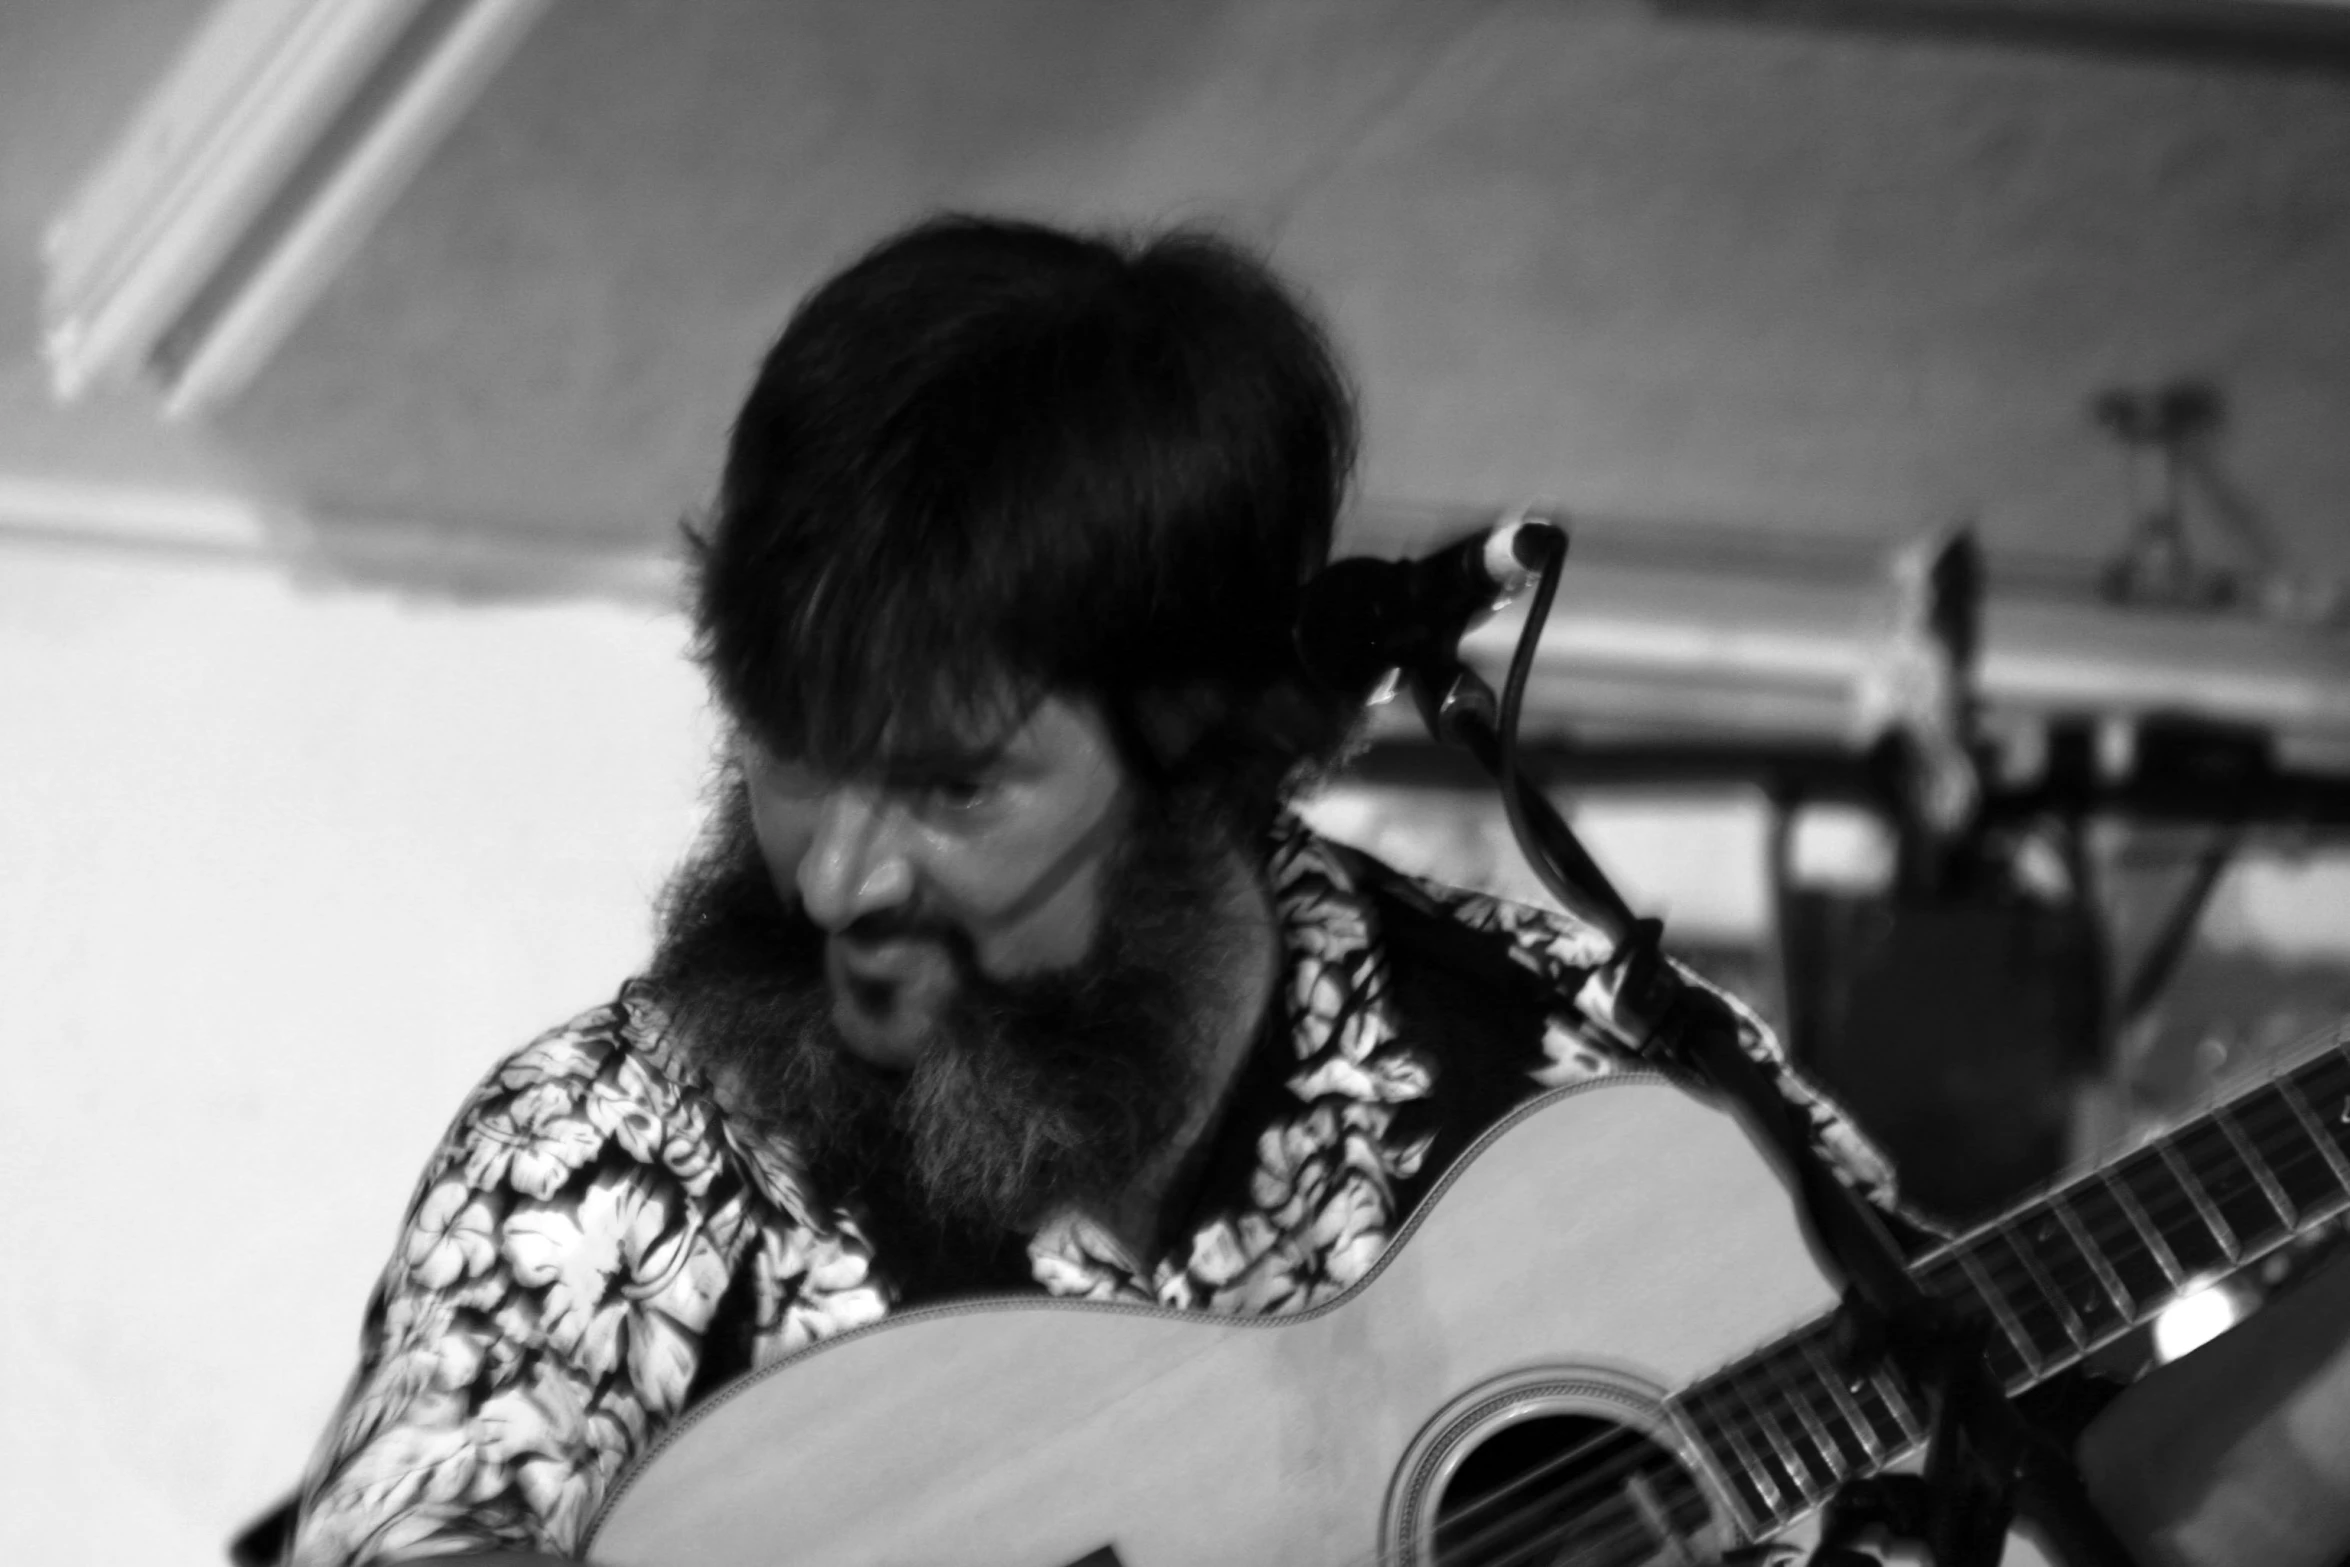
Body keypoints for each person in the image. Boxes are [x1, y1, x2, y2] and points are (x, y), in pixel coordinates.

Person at [263, 212, 1919, 1567]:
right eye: (787, 749)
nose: (838, 874)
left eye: (951, 785)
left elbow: (1987, 1452)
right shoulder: (614, 1152)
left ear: (1214, 757)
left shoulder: (1605, 1081)